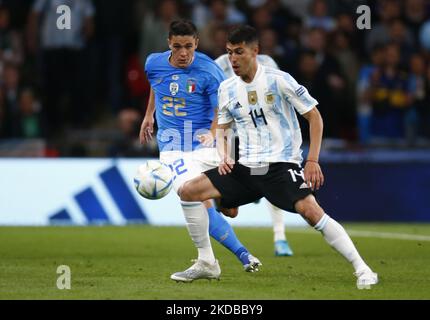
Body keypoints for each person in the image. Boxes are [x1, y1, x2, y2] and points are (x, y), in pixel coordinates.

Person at [179, 25, 378, 289]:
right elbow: (224, 129)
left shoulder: (278, 79)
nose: (233, 60)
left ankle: (363, 269)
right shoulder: (227, 88)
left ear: (255, 52)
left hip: (279, 166)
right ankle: (206, 263)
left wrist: (312, 160)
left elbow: (314, 116)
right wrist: (224, 156)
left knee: (311, 212)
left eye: (239, 52)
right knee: (188, 191)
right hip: (245, 168)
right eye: (229, 53)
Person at [140, 20, 261, 282]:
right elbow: (156, 84)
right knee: (193, 197)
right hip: (172, 148)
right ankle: (222, 258)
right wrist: (149, 115)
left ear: (196, 42)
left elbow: (222, 108)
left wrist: (214, 132)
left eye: (188, 46)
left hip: (203, 143)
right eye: (177, 46)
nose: (183, 53)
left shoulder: (209, 70)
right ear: (168, 44)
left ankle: (227, 221)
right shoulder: (153, 63)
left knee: (228, 210)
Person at [215, 52, 294, 257]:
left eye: (240, 49)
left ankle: (280, 238)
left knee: (270, 182)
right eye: (231, 49)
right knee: (230, 210)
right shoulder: (218, 65)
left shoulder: (268, 63)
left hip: (259, 139)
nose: (235, 55)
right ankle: (250, 191)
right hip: (230, 137)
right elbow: (215, 103)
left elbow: (276, 98)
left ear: (252, 49)